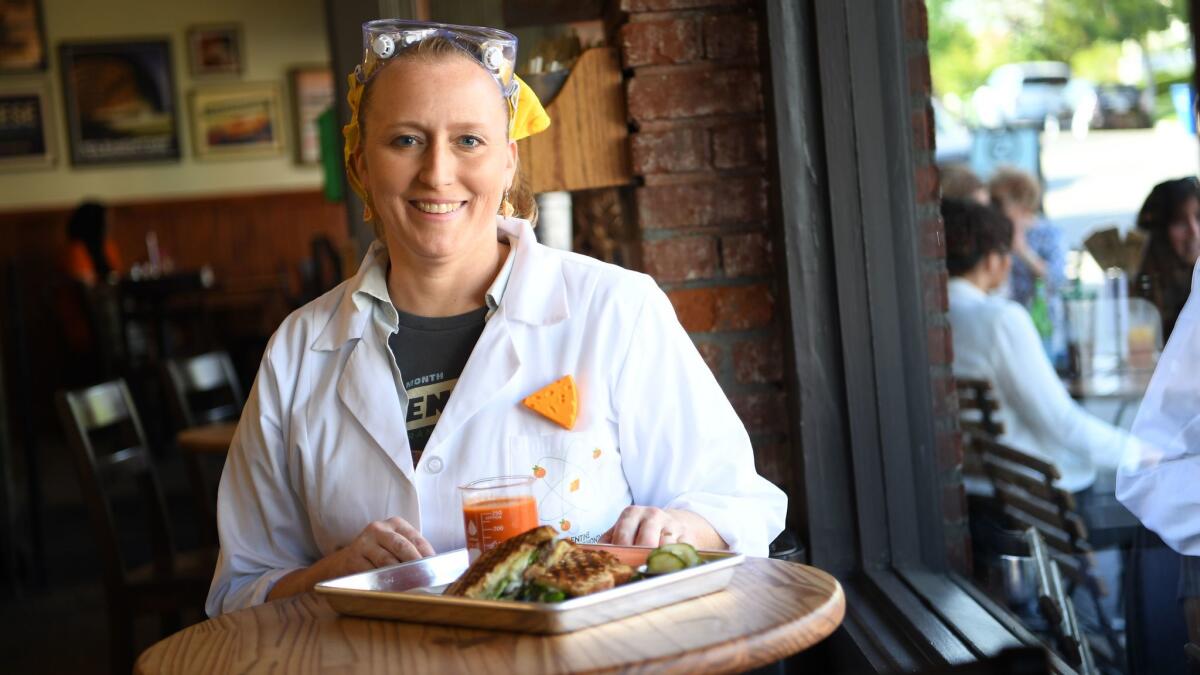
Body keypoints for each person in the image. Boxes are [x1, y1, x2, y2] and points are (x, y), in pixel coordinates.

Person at [206, 20, 786, 616]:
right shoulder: (298, 350)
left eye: (468, 141)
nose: (437, 172)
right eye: (405, 140)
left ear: (508, 161)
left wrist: (675, 531)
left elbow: (738, 503)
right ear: (360, 164)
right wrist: (330, 574)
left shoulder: (616, 310)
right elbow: (238, 591)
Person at [943, 198, 1131, 497]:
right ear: (992, 260)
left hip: (975, 492)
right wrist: (1141, 453)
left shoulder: (932, 320)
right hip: (1038, 502)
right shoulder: (999, 319)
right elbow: (1063, 423)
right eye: (1007, 253)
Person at [987, 167, 1067, 309]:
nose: (993, 209)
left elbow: (1057, 280)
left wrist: (1022, 249)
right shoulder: (993, 232)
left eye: (998, 203)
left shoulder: (1048, 233)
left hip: (1041, 321)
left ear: (1022, 202)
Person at [1133, 176, 1200, 339]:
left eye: (1199, 217)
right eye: (1180, 222)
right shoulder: (1142, 295)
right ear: (1159, 235)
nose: (1194, 232)